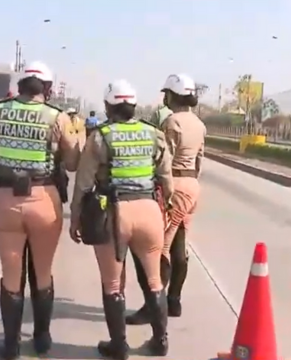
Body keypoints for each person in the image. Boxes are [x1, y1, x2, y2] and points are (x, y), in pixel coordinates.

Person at [69, 79, 174, 359]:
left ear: (107, 106)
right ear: (134, 106)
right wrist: (169, 206)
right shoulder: (153, 134)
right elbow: (166, 177)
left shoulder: (101, 136)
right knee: (154, 280)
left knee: (113, 285)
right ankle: (160, 340)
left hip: (114, 212)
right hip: (149, 210)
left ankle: (119, 346)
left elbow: (83, 184)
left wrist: (75, 218)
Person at [0, 61, 81, 359]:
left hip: (5, 199)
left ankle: (10, 345)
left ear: (20, 86)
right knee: (42, 271)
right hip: (44, 199)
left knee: (10, 273)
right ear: (47, 89)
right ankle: (42, 337)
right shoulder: (56, 117)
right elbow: (73, 162)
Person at [126, 74, 205, 325]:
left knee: (159, 249)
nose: (164, 97)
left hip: (176, 184)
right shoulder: (198, 124)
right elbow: (200, 160)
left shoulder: (172, 122)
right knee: (178, 243)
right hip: (192, 184)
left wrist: (158, 189)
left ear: (172, 95)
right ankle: (174, 301)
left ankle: (153, 306)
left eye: (167, 94)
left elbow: (164, 161)